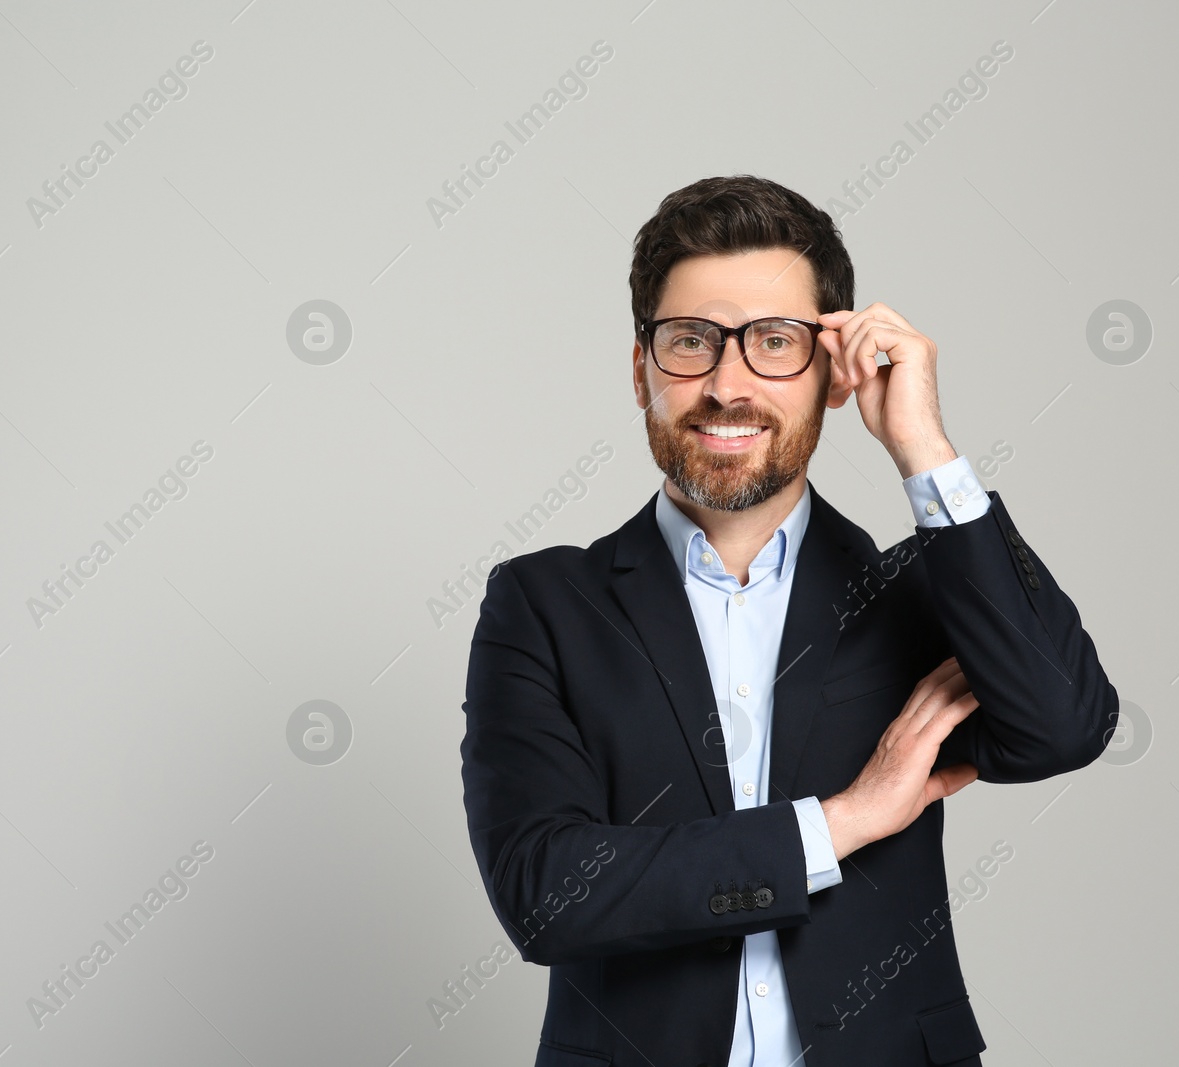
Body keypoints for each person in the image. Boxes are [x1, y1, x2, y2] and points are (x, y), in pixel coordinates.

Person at [459, 174, 1117, 1067]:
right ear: (641, 367)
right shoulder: (544, 605)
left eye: (774, 342)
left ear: (832, 374)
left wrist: (924, 447)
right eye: (691, 341)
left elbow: (1064, 726)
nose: (728, 385)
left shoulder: (917, 593)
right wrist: (840, 823)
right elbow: (547, 894)